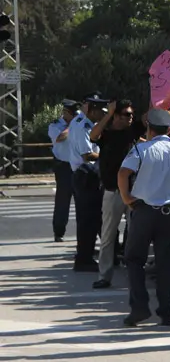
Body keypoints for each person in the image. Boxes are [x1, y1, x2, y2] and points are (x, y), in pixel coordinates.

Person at [117, 109, 170, 327]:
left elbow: (123, 173)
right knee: (167, 263)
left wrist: (127, 198)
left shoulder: (141, 150)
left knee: (134, 260)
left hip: (144, 211)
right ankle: (168, 313)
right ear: (169, 130)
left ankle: (139, 308)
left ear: (149, 129)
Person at [92, 100, 143, 289]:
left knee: (135, 235)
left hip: (133, 191)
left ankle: (134, 274)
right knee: (108, 235)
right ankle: (104, 275)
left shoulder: (133, 131)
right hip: (112, 190)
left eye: (131, 115)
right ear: (116, 116)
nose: (130, 118)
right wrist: (108, 114)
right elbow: (93, 135)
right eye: (126, 115)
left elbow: (148, 117)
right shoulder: (107, 133)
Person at [68, 94, 108, 272]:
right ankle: (84, 258)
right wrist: (109, 154)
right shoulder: (83, 125)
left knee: (95, 218)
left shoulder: (85, 123)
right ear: (92, 110)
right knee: (88, 220)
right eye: (101, 111)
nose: (102, 114)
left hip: (90, 174)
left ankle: (104, 254)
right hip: (86, 174)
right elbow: (87, 155)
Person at [49, 99, 80, 242]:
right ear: (65, 113)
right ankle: (59, 231)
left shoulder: (80, 123)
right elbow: (60, 138)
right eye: (71, 114)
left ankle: (86, 232)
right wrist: (72, 126)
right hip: (64, 167)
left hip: (79, 166)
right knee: (63, 200)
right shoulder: (56, 125)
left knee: (83, 200)